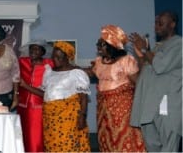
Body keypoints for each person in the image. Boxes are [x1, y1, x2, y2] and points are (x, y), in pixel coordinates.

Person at [20, 41, 91, 152]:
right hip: (50, 118)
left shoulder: (76, 73)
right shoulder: (49, 72)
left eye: (59, 57)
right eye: (54, 57)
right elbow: (45, 94)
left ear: (67, 58)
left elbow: (84, 97)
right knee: (52, 145)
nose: (56, 60)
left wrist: (82, 117)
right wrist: (25, 86)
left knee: (67, 144)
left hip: (67, 117)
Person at [84, 24, 146, 152]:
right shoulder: (99, 62)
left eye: (101, 44)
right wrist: (70, 69)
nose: (97, 47)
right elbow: (89, 73)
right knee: (106, 141)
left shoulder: (126, 61)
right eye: (98, 43)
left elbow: (139, 83)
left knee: (123, 142)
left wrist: (141, 55)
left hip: (123, 113)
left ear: (112, 44)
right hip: (104, 113)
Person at [130, 11, 182, 152]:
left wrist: (144, 48)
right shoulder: (158, 46)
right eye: (155, 23)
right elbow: (146, 70)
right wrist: (140, 53)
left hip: (167, 103)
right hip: (150, 104)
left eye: (160, 23)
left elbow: (160, 66)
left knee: (168, 146)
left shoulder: (179, 44)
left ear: (172, 24)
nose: (156, 26)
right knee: (152, 145)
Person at [17, 39, 54, 152]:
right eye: (31, 48)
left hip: (38, 107)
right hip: (22, 106)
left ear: (43, 52)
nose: (33, 51)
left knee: (36, 135)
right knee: (22, 134)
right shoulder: (22, 61)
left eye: (37, 49)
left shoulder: (49, 64)